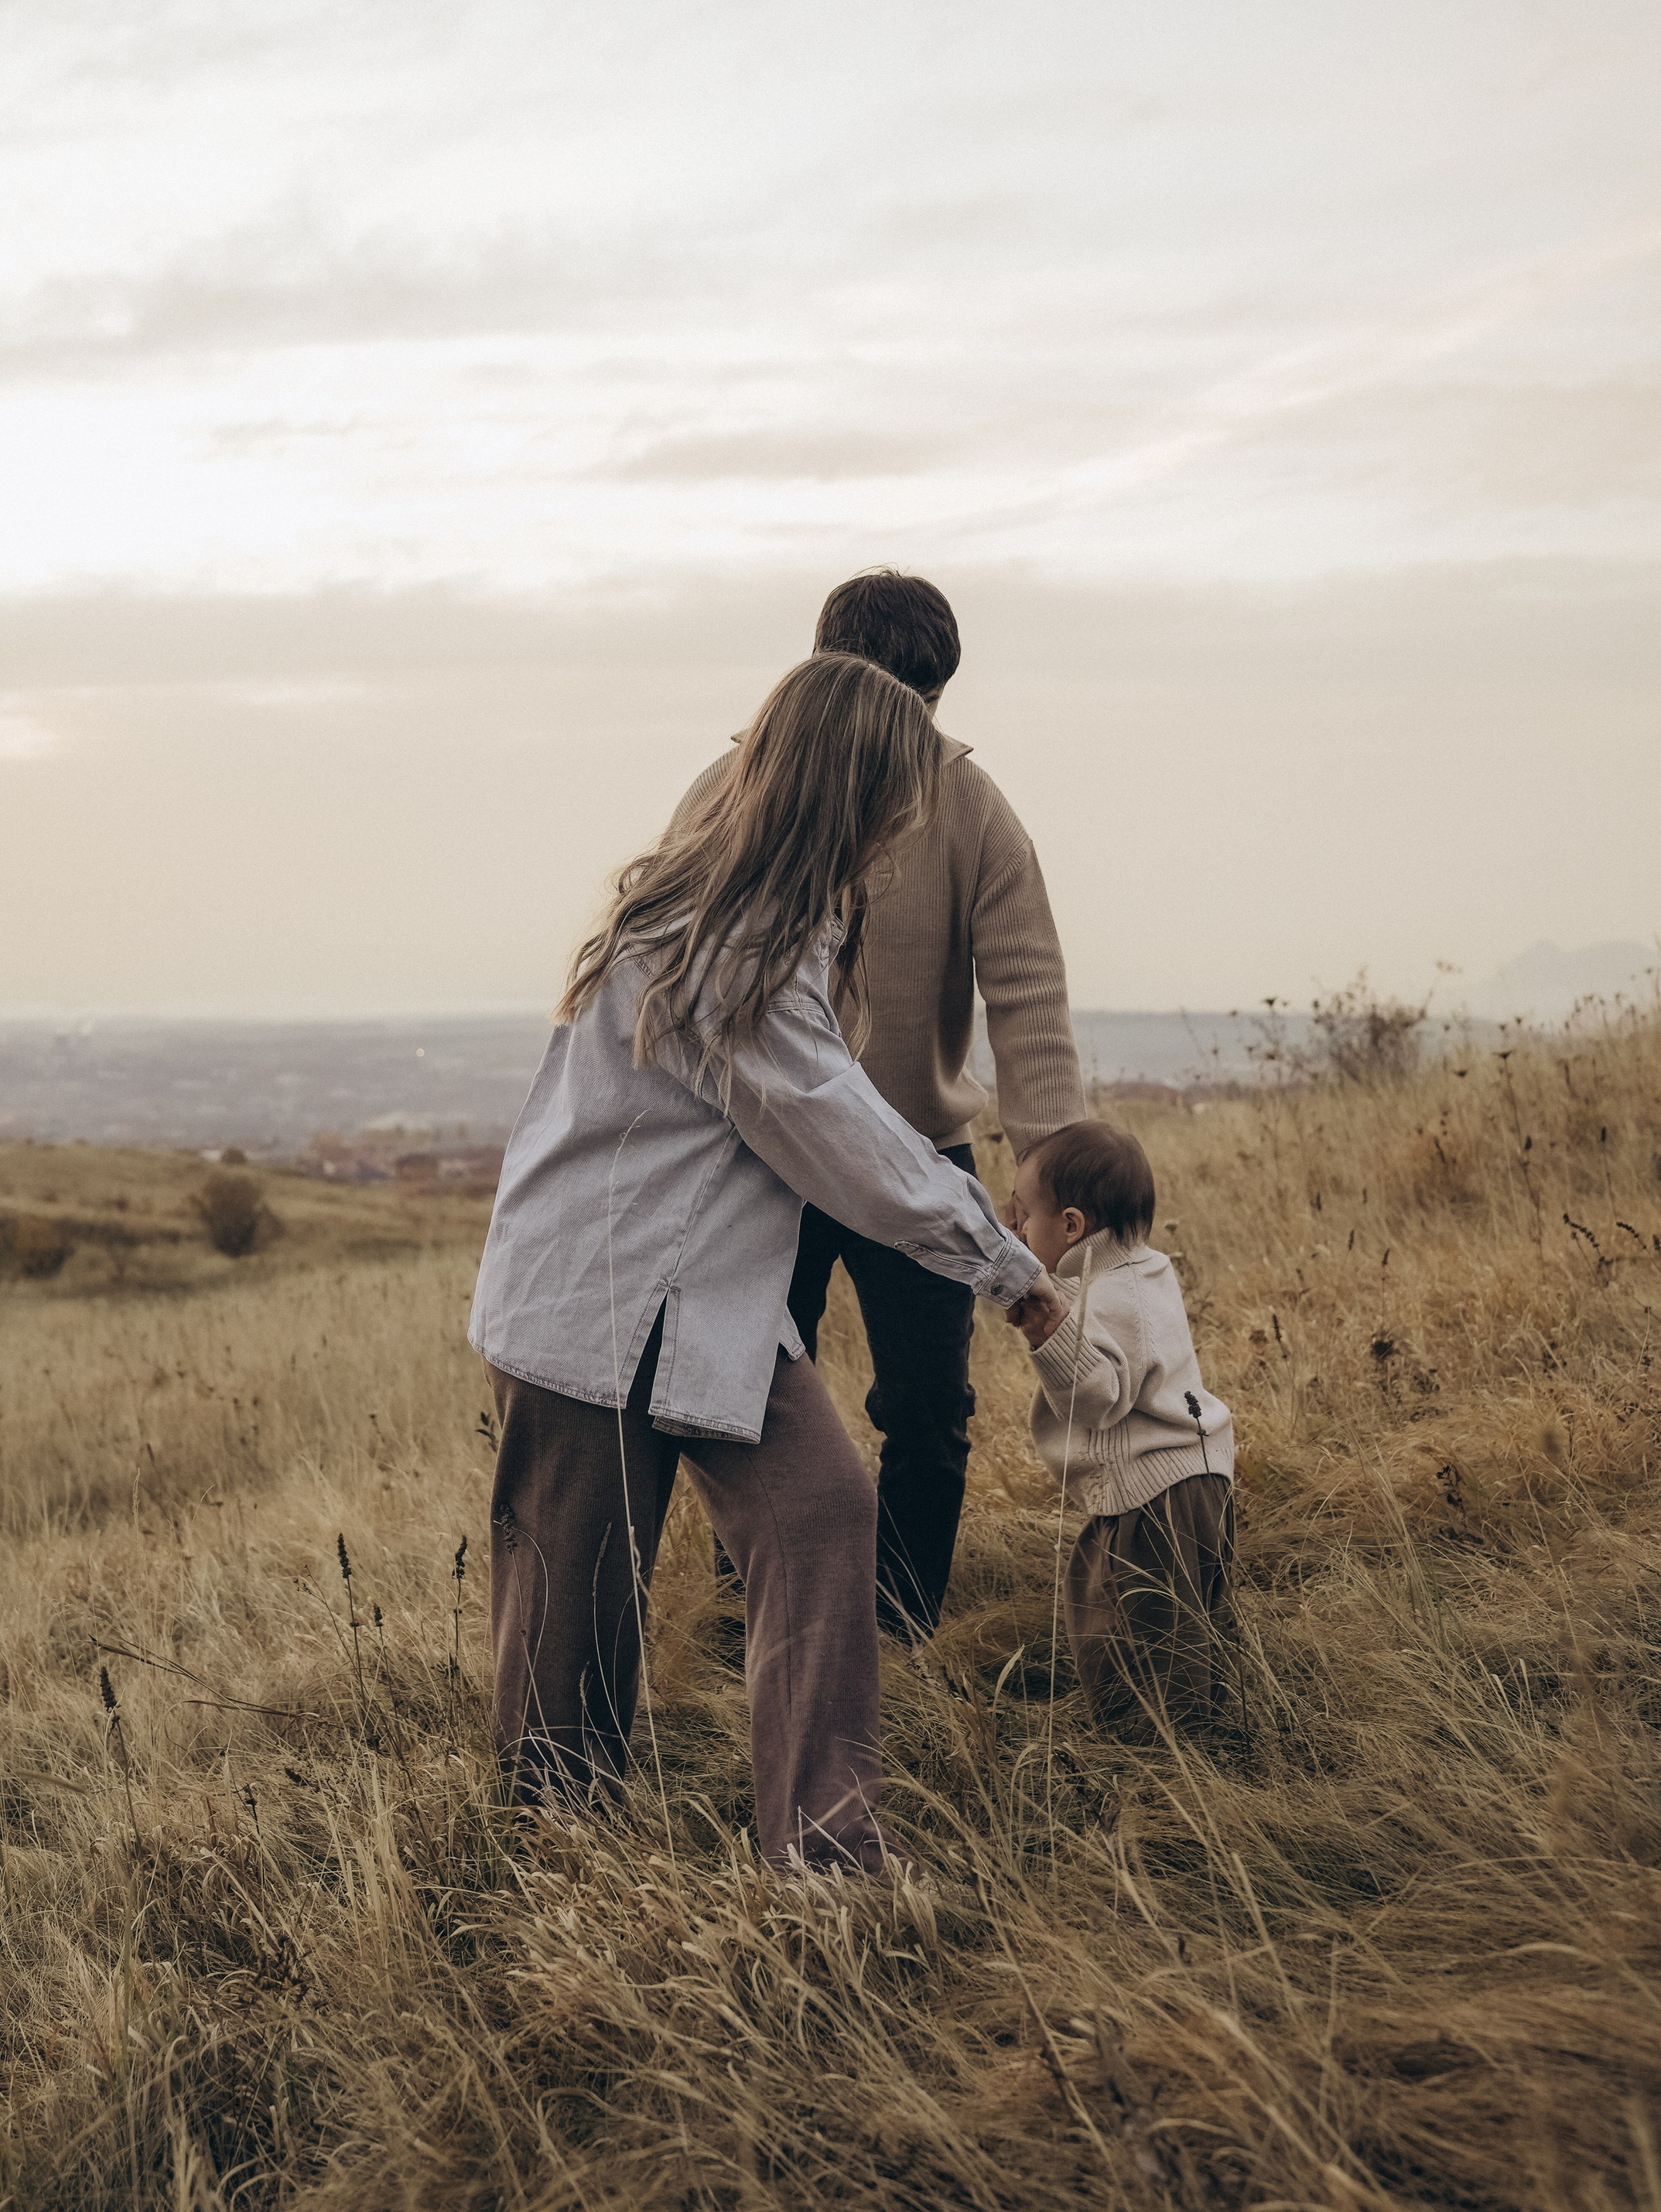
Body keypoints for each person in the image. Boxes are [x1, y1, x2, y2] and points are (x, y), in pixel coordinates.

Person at [471, 652, 1071, 1873]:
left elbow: (844, 1104)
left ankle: (826, 1855)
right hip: (595, 1299)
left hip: (708, 1306)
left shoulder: (795, 920)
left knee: (821, 1509)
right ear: (855, 788)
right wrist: (1005, 1264)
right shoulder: (725, 938)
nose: (911, 820)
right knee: (573, 1632)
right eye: (899, 792)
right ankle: (551, 1882)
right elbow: (837, 1133)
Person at [675, 569, 1086, 1637]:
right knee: (745, 1393)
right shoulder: (729, 792)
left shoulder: (975, 808)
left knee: (927, 1409)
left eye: (925, 707)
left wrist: (1052, 1175)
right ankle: (758, 1619)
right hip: (764, 1153)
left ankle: (899, 1627)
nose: (907, 733)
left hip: (919, 1145)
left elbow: (1027, 993)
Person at [1003, 1120, 1236, 1735]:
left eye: (1022, 1218)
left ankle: (1156, 1758)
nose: (1015, 1230)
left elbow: (1100, 1398)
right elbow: (1061, 1288)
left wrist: (1046, 1332)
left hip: (1153, 1497)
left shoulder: (1111, 1297)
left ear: (1073, 1226)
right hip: (1193, 1480)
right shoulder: (1139, 1270)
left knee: (1135, 1630)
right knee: (1193, 1621)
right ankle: (1215, 1728)